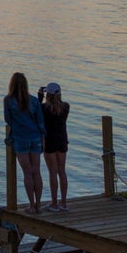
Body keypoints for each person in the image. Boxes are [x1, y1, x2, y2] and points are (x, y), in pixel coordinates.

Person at [3, 72, 45, 213]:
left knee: (27, 173)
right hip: (35, 138)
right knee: (36, 171)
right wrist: (42, 138)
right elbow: (40, 121)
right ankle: (39, 205)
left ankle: (32, 205)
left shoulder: (8, 100)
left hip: (20, 139)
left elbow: (8, 120)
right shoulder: (34, 101)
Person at [41, 82, 70, 212]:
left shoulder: (44, 108)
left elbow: (35, 110)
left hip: (49, 141)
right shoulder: (66, 107)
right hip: (62, 140)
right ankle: (63, 202)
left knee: (52, 171)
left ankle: (54, 203)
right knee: (61, 171)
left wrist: (39, 96)